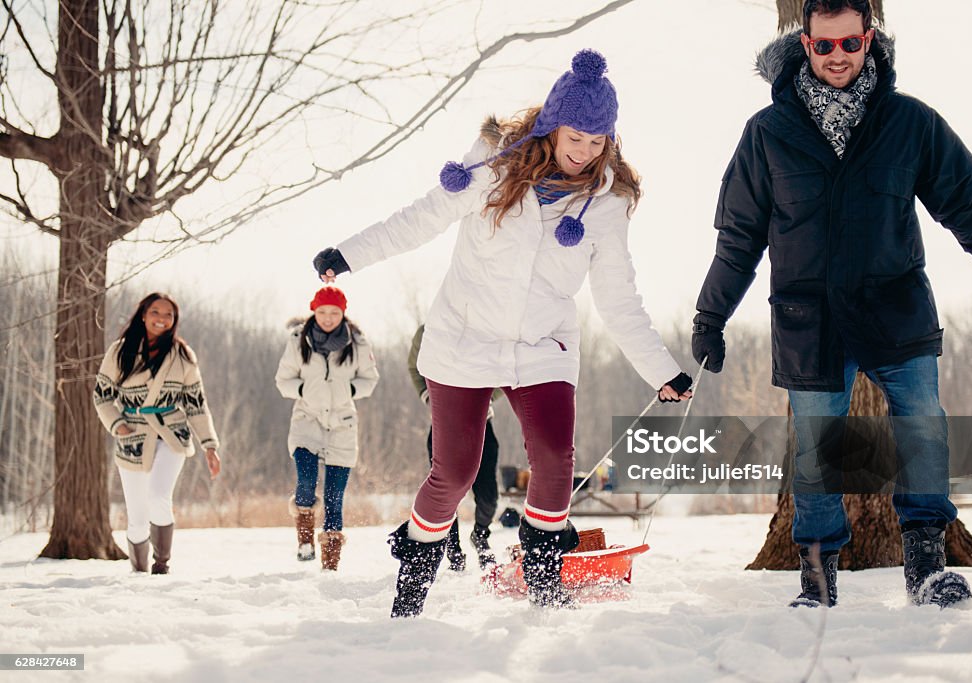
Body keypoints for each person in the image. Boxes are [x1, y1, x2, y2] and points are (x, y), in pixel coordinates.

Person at [314, 49, 693, 617]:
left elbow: (619, 299)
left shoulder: (607, 202)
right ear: (553, 123)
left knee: (554, 458)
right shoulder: (493, 164)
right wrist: (347, 255)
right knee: (456, 471)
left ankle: (544, 584)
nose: (585, 152)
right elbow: (421, 218)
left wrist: (663, 370)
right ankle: (413, 583)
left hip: (543, 347)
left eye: (598, 141)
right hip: (463, 340)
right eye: (577, 137)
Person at [690, 0, 972, 608]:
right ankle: (817, 583)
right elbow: (739, 237)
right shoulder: (767, 134)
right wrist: (710, 316)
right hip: (809, 320)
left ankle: (927, 568)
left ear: (869, 41)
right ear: (805, 44)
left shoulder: (910, 122)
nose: (838, 56)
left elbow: (971, 212)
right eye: (825, 46)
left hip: (895, 310)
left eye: (850, 44)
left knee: (923, 428)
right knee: (817, 450)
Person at [93, 292, 222, 574]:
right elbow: (101, 397)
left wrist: (209, 446)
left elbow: (197, 404)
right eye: (156, 312)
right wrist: (118, 425)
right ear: (143, 315)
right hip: (133, 437)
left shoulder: (183, 356)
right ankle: (139, 572)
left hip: (171, 435)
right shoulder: (120, 351)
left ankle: (161, 565)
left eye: (169, 315)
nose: (162, 319)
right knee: (137, 517)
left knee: (158, 496)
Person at [275, 286, 379, 571]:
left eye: (334, 312)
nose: (328, 318)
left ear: (343, 313)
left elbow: (370, 380)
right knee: (306, 481)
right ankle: (305, 539)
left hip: (343, 424)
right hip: (307, 420)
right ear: (314, 311)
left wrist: (349, 390)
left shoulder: (357, 342)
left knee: (335, 497)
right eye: (322, 312)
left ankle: (330, 564)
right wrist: (304, 390)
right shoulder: (299, 340)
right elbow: (283, 380)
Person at [409, 323, 499, 571]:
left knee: (489, 495)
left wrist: (488, 397)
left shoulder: (492, 325)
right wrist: (427, 395)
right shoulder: (430, 328)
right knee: (448, 490)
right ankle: (453, 549)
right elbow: (414, 365)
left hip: (483, 421)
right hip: (444, 423)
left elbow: (506, 368)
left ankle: (481, 535)